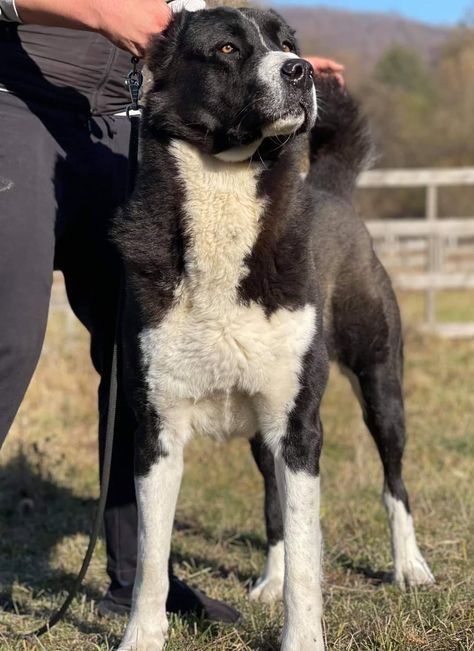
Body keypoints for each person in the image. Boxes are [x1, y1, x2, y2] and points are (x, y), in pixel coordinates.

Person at [0, 0, 344, 620]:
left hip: (127, 117)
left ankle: (135, 588)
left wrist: (273, 69)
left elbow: (194, 19)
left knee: (132, 360)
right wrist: (99, 12)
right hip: (17, 98)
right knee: (7, 340)